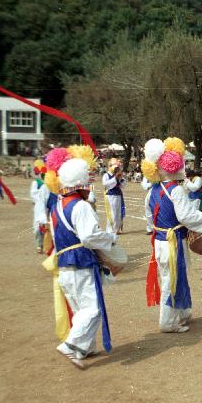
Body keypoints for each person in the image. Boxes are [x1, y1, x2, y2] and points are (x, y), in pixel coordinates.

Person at [46, 146, 117, 369]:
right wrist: (109, 239)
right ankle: (71, 344)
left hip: (65, 266)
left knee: (80, 309)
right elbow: (89, 236)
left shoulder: (57, 206)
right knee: (92, 308)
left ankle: (85, 347)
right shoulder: (80, 206)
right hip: (81, 264)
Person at [142, 138, 202, 333]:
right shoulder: (176, 190)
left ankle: (183, 312)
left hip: (161, 240)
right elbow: (186, 216)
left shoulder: (152, 190)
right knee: (172, 279)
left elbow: (148, 217)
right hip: (173, 242)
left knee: (172, 277)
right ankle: (167, 322)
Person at [30, 159, 51, 254]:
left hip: (48, 207)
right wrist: (40, 196)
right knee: (38, 227)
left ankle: (48, 245)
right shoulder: (36, 183)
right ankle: (39, 244)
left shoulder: (49, 183)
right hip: (39, 207)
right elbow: (33, 195)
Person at [102, 158, 126, 234]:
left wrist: (121, 178)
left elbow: (123, 185)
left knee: (118, 213)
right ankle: (110, 230)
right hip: (110, 196)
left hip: (118, 195)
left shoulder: (118, 175)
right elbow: (105, 184)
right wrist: (115, 178)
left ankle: (116, 229)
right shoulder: (106, 175)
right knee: (112, 213)